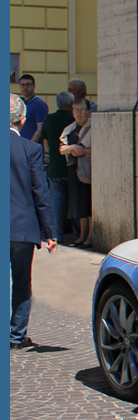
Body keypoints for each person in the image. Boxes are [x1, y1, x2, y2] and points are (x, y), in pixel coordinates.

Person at [10, 94, 58, 350]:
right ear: (23, 120)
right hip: (21, 227)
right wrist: (49, 232)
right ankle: (16, 336)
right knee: (21, 282)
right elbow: (41, 191)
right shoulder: (32, 149)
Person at [41, 91, 75, 242]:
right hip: (72, 166)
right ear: (71, 104)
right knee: (75, 202)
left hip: (54, 166)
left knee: (57, 202)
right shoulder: (73, 118)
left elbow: (46, 142)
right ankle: (76, 233)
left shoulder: (49, 118)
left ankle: (57, 234)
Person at [60, 99, 92, 248]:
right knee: (79, 204)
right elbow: (62, 149)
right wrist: (74, 147)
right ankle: (82, 235)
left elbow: (97, 148)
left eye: (81, 110)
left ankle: (90, 236)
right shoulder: (70, 128)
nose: (78, 113)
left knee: (88, 203)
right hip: (74, 169)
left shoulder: (93, 127)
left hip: (88, 170)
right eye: (76, 110)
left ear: (88, 111)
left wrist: (82, 151)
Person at [17, 74, 48, 142]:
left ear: (34, 86)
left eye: (28, 85)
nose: (25, 87)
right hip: (20, 146)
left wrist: (30, 146)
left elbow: (40, 128)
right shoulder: (20, 104)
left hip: (32, 149)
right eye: (22, 85)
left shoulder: (39, 104)